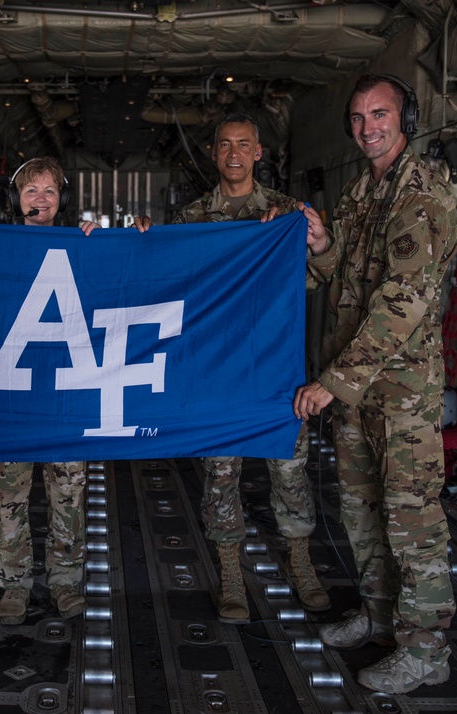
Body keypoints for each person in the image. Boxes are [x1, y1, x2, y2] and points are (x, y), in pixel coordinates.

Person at [295, 74, 457, 694]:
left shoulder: (421, 194)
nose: (369, 126)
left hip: (402, 395)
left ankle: (425, 649)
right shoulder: (363, 192)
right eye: (360, 116)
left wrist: (332, 383)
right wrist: (320, 243)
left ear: (406, 118)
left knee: (411, 519)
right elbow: (341, 270)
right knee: (361, 510)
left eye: (381, 113)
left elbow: (403, 301)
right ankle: (377, 614)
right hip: (357, 391)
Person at [135, 113, 330, 622]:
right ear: (213, 152)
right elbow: (163, 285)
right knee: (220, 477)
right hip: (216, 372)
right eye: (225, 145)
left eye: (245, 144)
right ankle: (229, 573)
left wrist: (315, 241)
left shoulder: (288, 213)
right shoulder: (190, 220)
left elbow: (324, 275)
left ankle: (301, 563)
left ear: (259, 152)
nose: (235, 153)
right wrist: (140, 244)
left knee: (289, 470)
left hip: (276, 370)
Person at [0, 157, 97, 625]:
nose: (40, 200)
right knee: (8, 499)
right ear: (16, 200)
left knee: (68, 498)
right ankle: (14, 584)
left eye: (49, 191)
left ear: (62, 200)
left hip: (65, 399)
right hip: (13, 400)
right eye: (31, 191)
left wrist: (103, 244)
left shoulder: (79, 245)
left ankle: (66, 582)